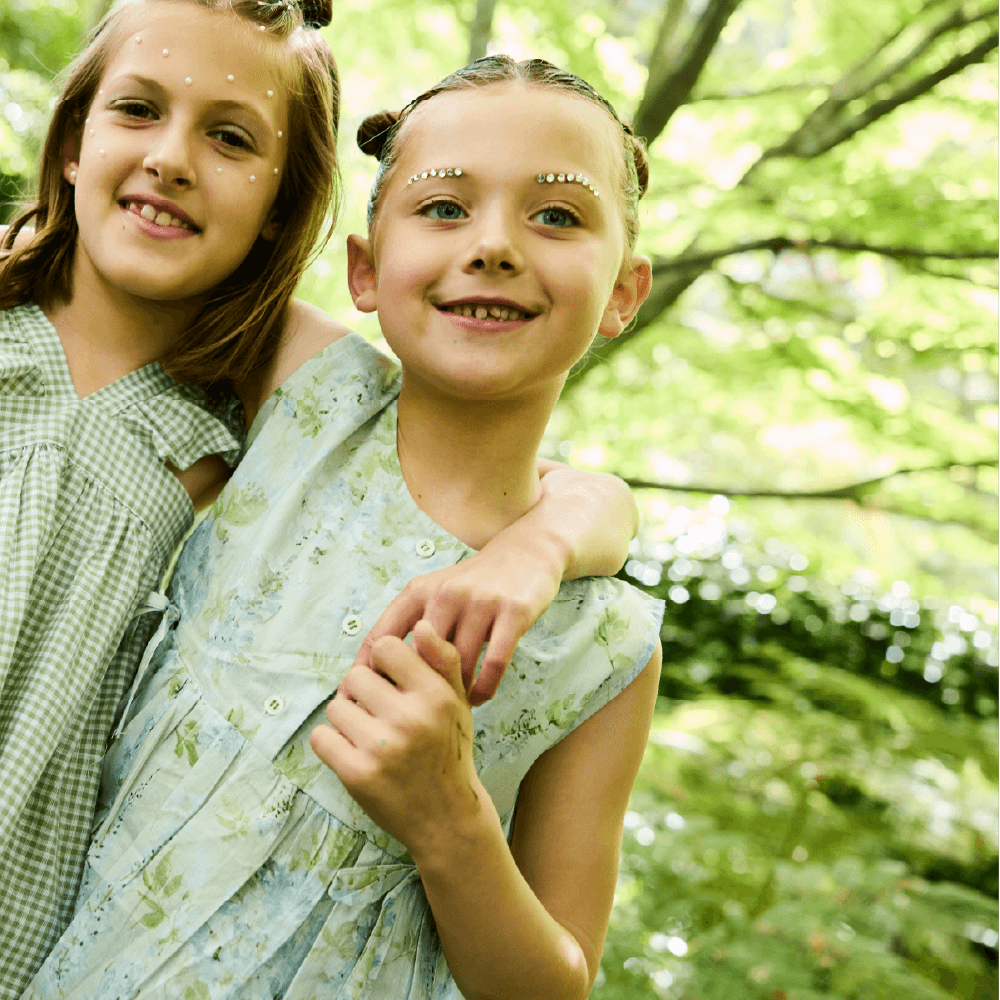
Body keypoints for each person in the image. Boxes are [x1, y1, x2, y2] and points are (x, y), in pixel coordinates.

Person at [0, 4, 638, 994]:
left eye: (556, 215)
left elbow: (559, 979)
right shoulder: (307, 410)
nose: (495, 247)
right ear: (364, 270)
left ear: (626, 291)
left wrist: (452, 821)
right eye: (443, 206)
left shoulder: (606, 644)